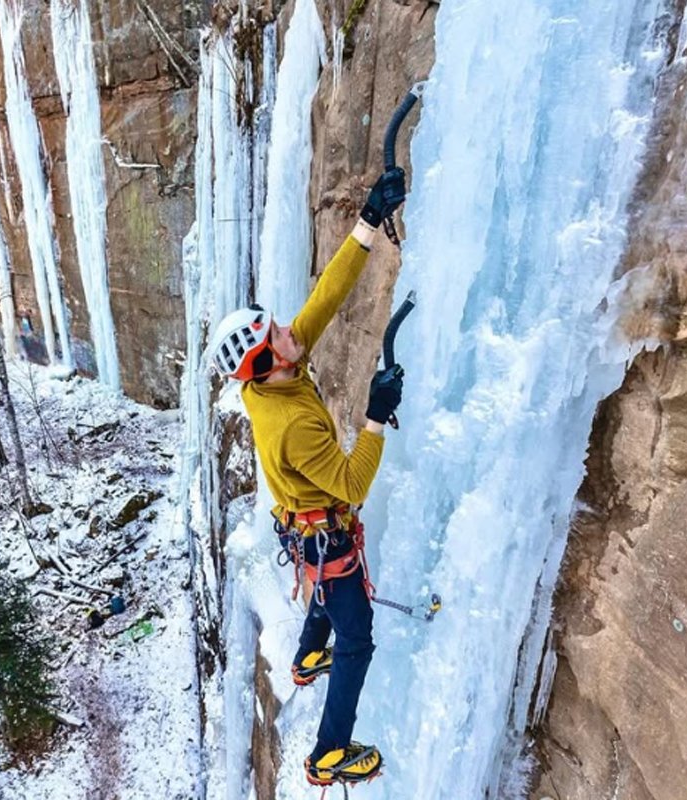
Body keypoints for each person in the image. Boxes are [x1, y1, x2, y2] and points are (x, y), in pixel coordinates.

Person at [209, 168, 407, 788]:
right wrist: (375, 419)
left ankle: (304, 659)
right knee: (360, 640)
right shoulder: (291, 423)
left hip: (307, 532)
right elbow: (350, 484)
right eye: (278, 335)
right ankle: (329, 753)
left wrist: (369, 221)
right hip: (327, 536)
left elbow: (326, 298)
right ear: (264, 364)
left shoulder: (277, 370)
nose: (291, 330)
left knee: (326, 601)